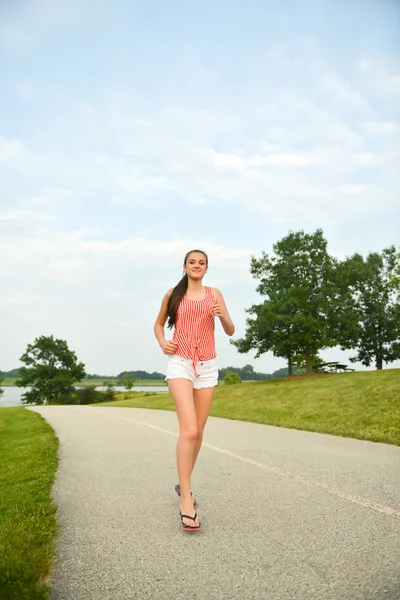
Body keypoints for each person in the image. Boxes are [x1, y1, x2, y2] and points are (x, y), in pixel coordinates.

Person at [153, 249, 235, 531]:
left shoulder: (214, 294)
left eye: (201, 263)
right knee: (188, 430)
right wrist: (163, 342)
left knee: (198, 431)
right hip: (180, 365)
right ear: (185, 266)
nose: (196, 266)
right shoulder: (172, 294)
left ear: (207, 268)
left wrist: (222, 315)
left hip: (208, 366)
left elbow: (230, 330)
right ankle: (186, 498)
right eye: (192, 262)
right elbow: (158, 324)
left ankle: (182, 482)